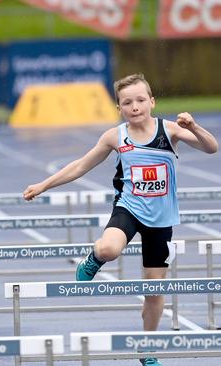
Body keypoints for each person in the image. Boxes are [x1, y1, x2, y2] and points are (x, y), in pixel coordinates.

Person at [23, 73, 217, 366]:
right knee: (108, 249)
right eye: (127, 102)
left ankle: (147, 348)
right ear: (119, 109)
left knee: (154, 293)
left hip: (161, 220)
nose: (135, 106)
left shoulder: (170, 130)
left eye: (140, 100)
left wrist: (194, 127)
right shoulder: (115, 136)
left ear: (152, 102)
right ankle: (93, 259)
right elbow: (80, 166)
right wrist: (43, 185)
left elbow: (211, 147)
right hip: (128, 209)